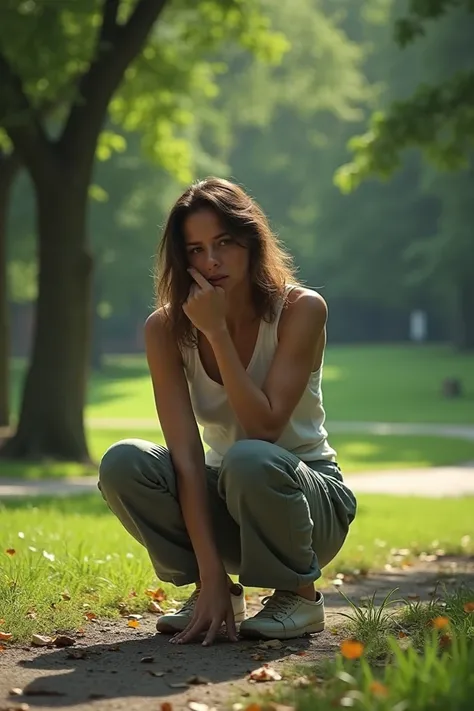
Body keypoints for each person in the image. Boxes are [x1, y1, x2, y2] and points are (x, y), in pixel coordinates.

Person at [98, 177, 357, 647]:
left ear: (250, 241)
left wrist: (216, 332)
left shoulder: (300, 310)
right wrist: (211, 574)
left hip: (310, 502)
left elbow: (265, 425)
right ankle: (215, 596)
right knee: (124, 462)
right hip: (229, 494)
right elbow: (187, 460)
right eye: (195, 250)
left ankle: (299, 597)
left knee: (249, 456)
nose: (211, 261)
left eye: (223, 243)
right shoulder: (164, 329)